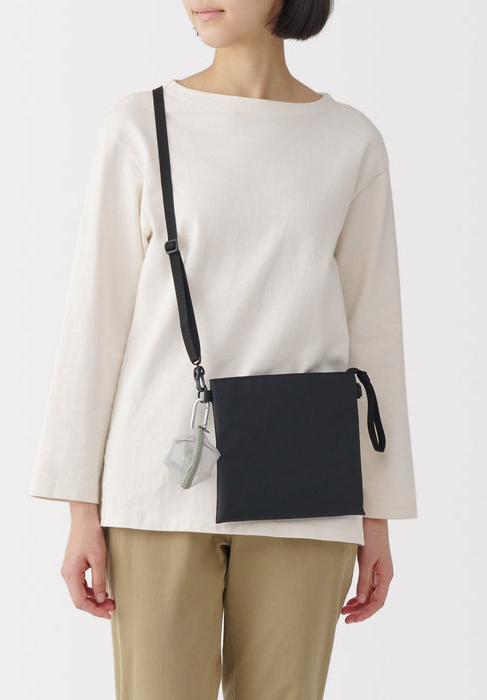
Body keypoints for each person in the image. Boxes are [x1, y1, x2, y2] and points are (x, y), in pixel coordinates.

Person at [29, 1, 418, 698]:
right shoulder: (140, 125)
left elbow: (375, 334)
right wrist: (80, 506)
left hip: (308, 490)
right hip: (158, 487)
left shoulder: (350, 141)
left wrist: (377, 512)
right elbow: (95, 319)